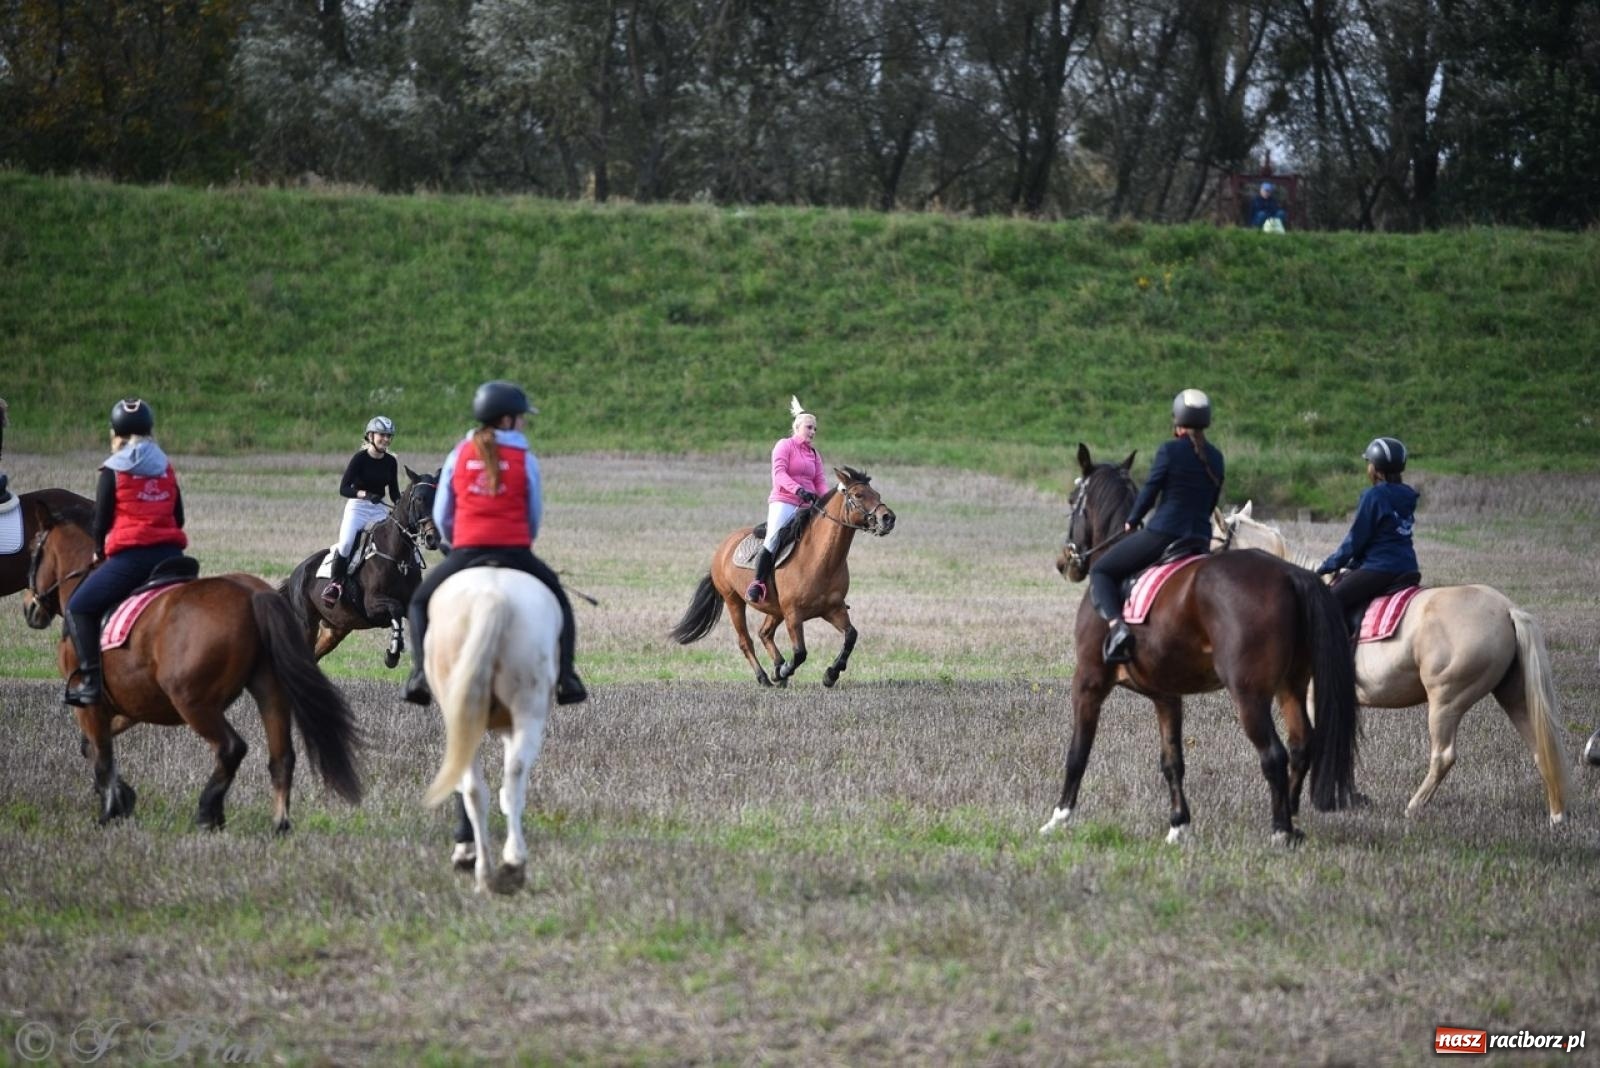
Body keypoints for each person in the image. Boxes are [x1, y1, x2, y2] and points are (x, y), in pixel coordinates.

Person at [402, 380, 586, 707]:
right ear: (506, 420)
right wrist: (522, 540)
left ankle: (419, 676)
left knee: (418, 602)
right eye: (521, 416)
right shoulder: (524, 458)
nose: (524, 422)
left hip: (466, 550)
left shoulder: (459, 454)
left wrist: (456, 543)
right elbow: (534, 513)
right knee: (559, 600)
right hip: (514, 550)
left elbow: (442, 513)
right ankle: (567, 679)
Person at [63, 398, 188, 706]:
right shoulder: (165, 467)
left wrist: (98, 551)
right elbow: (179, 517)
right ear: (150, 431)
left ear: (115, 433)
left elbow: (101, 522)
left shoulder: (113, 470)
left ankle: (91, 682)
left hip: (132, 560)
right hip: (173, 557)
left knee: (78, 606)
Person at [1088, 389, 1226, 665]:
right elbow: (1211, 502)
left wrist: (1132, 519)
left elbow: (1151, 490)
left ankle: (1118, 629)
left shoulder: (1169, 451)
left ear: (1178, 420)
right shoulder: (1216, 456)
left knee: (1101, 570)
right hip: (1200, 540)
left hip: (1164, 534)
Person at [1316, 437, 1420, 631]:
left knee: (1328, 602)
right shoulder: (1408, 495)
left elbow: (1355, 540)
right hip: (1408, 567)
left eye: (1369, 463)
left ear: (1376, 468)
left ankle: (1339, 647)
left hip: (1379, 568)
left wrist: (1327, 566)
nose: (1368, 467)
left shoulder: (1374, 496)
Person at [746, 395, 829, 605]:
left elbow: (819, 481)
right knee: (773, 538)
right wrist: (799, 490)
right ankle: (758, 583)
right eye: (809, 427)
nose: (813, 432)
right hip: (785, 500)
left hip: (809, 505)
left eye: (815, 429)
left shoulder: (814, 454)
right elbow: (779, 474)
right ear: (797, 427)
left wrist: (827, 500)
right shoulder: (784, 445)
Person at [322, 416, 401, 607]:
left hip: (379, 508)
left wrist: (402, 506)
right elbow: (344, 489)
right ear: (370, 436)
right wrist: (364, 494)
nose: (386, 439)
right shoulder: (360, 459)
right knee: (346, 544)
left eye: (389, 436)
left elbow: (394, 493)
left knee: (392, 541)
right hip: (358, 507)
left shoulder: (391, 461)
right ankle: (335, 584)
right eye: (382, 435)